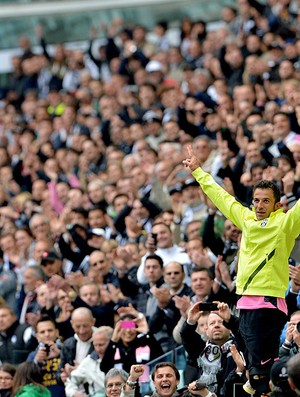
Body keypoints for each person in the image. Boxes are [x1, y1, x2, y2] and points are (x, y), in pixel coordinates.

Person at [183, 144, 300, 395]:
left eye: (266, 201)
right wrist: (198, 171)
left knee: (259, 375)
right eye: (256, 200)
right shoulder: (246, 218)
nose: (259, 205)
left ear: (277, 205)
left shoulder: (286, 223)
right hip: (245, 305)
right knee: (254, 373)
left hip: (267, 305)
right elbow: (221, 196)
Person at [65, 326, 113, 397]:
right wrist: (74, 393)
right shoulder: (89, 361)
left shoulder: (123, 357)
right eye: (95, 345)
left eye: (101, 345)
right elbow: (71, 381)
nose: (98, 349)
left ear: (112, 341)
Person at [27, 315, 65, 397]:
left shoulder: (66, 350)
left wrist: (60, 355)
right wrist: (36, 361)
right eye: (42, 332)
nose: (47, 334)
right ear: (37, 336)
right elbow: (26, 380)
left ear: (57, 332)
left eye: (50, 330)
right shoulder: (32, 356)